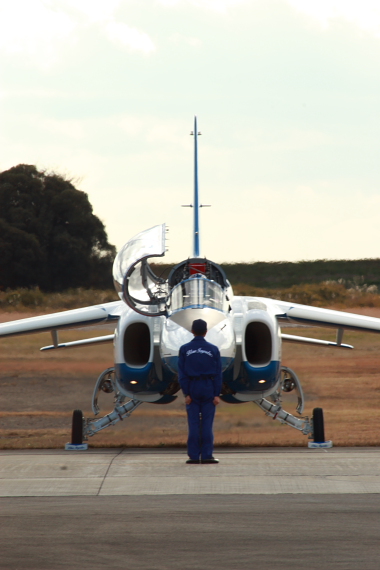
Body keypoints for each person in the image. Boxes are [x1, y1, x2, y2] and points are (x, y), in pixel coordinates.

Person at [178, 319, 222, 464]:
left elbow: (182, 374)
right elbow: (218, 374)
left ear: (192, 331)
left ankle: (194, 456)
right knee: (207, 424)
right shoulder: (213, 349)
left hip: (192, 386)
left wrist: (187, 393)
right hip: (208, 387)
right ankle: (207, 455)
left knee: (194, 423)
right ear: (206, 332)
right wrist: (216, 394)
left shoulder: (184, 349)